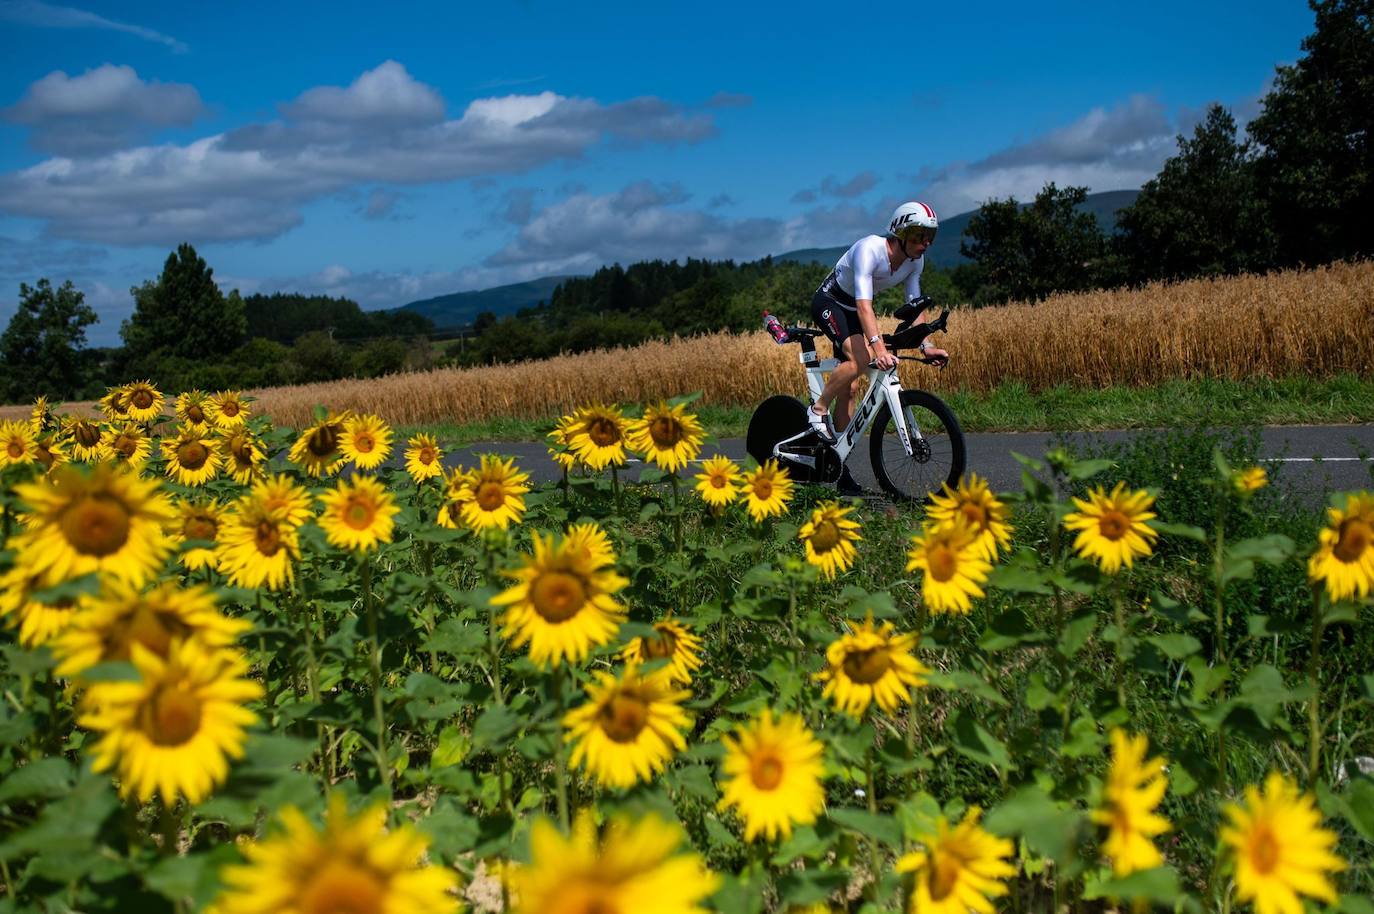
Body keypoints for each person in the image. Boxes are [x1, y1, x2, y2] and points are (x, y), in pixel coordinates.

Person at [808, 201, 949, 496]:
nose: (925, 244)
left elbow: (915, 309)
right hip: (831, 303)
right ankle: (817, 410)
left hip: (854, 311)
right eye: (918, 236)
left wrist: (927, 346)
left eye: (929, 237)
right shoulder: (869, 250)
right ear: (900, 234)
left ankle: (839, 465)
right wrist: (877, 347)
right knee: (861, 359)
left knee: (851, 388)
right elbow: (863, 305)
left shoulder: (914, 262)